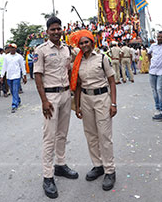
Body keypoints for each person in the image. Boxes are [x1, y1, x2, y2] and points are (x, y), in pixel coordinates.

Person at [34, 16, 78, 199]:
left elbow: (74, 64)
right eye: (52, 29)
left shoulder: (67, 49)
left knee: (62, 133)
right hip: (50, 97)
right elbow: (37, 76)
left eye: (58, 29)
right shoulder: (41, 50)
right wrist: (44, 101)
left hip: (66, 94)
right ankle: (47, 176)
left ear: (62, 30)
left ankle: (60, 165)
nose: (56, 32)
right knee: (49, 136)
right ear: (47, 32)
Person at [70, 29, 117, 191]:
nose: (84, 45)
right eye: (81, 43)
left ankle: (110, 170)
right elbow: (77, 86)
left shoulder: (102, 58)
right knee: (91, 135)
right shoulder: (78, 61)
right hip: (85, 99)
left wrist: (114, 103)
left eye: (86, 42)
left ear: (92, 42)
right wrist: (77, 106)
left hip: (102, 98)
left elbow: (112, 81)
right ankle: (98, 166)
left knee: (104, 135)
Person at [0, 43, 27, 113]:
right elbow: (4, 67)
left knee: (15, 90)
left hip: (16, 76)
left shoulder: (19, 57)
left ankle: (14, 105)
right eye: (10, 48)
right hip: (9, 76)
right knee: (12, 91)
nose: (11, 49)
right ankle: (18, 100)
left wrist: (24, 76)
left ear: (15, 49)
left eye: (12, 48)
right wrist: (2, 76)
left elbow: (22, 67)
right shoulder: (6, 57)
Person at [148, 32, 162, 118]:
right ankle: (158, 107)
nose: (159, 38)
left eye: (161, 37)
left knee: (159, 89)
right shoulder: (153, 46)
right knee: (154, 90)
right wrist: (150, 63)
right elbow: (149, 53)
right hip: (152, 70)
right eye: (158, 37)